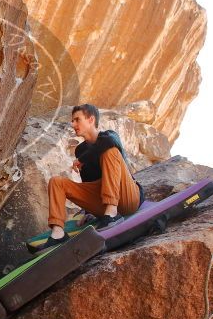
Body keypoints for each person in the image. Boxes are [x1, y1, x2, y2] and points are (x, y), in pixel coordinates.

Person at [44, 103, 144, 249]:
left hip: (128, 198)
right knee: (56, 182)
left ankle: (112, 212)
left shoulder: (110, 136)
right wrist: (88, 210)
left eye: (77, 120)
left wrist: (83, 159)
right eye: (72, 121)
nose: (73, 124)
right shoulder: (81, 150)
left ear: (91, 120)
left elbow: (108, 143)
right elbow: (89, 182)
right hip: (101, 205)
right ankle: (58, 233)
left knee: (109, 151)